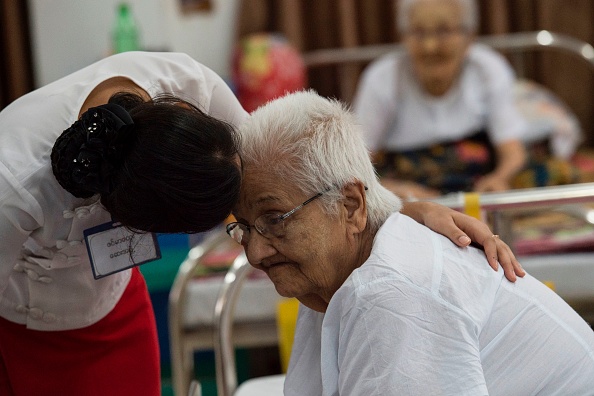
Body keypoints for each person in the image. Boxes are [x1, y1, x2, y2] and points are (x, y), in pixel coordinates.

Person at [0, 51, 522, 395]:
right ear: (128, 218)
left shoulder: (190, 88)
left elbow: (304, 180)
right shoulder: (12, 184)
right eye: (243, 228)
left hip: (111, 304)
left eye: (265, 222)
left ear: (184, 112)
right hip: (19, 325)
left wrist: (404, 209)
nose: (255, 254)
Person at [228, 90, 594, 394]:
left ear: (351, 205)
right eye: (244, 227)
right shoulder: (330, 275)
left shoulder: (388, 290)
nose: (256, 253)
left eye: (275, 220)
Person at [353, 0, 528, 199]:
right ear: (403, 37)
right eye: (418, 32)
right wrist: (398, 192)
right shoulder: (382, 78)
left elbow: (512, 152)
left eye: (444, 31)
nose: (430, 46)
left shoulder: (488, 69)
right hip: (408, 196)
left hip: (477, 188)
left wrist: (499, 178)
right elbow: (356, 165)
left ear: (469, 36)